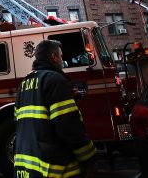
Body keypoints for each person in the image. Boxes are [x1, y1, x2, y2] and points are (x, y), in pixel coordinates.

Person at [14, 40, 96, 178]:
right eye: (61, 56)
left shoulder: (23, 84)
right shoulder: (55, 80)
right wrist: (89, 158)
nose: (62, 61)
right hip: (54, 169)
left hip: (27, 169)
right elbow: (69, 127)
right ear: (53, 57)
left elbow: (19, 123)